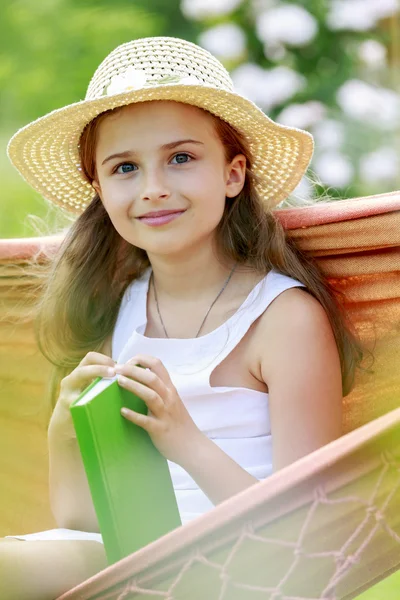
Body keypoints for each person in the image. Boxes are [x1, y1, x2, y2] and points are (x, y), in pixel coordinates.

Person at [1, 36, 364, 599]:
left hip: (243, 569)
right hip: (131, 563)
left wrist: (185, 441)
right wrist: (63, 433)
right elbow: (80, 523)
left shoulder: (282, 319)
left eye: (181, 158)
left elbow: (315, 534)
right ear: (100, 191)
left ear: (233, 174)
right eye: (125, 168)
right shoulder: (117, 311)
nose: (153, 189)